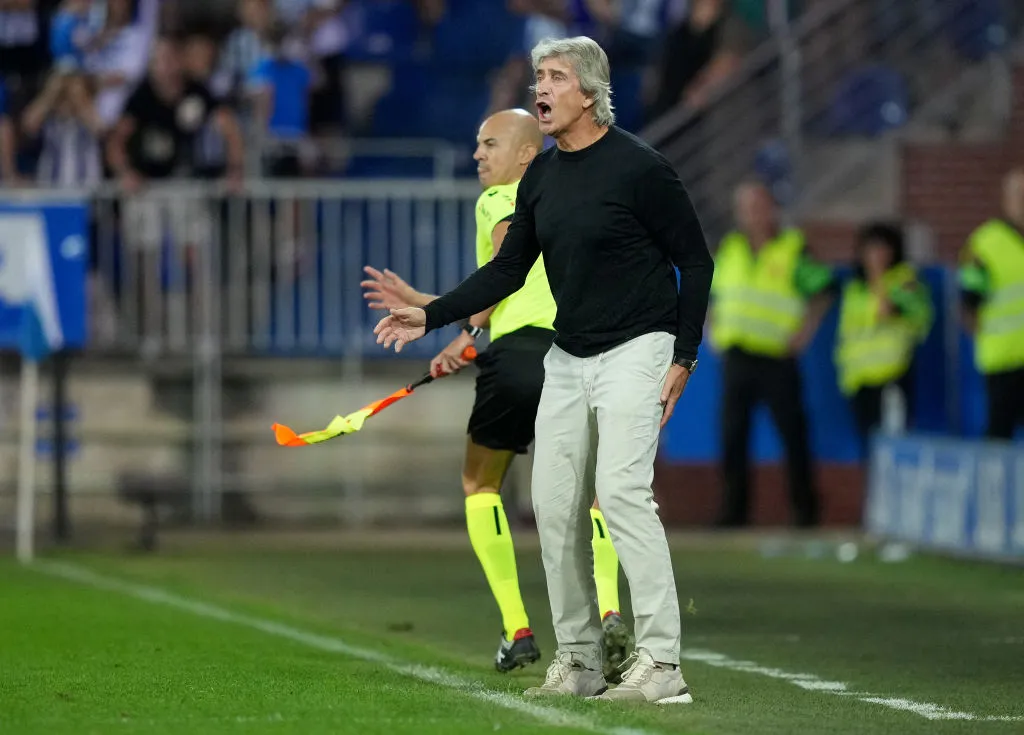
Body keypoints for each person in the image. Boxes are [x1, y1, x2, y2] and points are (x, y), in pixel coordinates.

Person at [373, 35, 713, 704]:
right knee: (553, 507)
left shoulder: (642, 167)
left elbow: (695, 261)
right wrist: (434, 314)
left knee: (618, 493)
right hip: (569, 352)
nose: (541, 88)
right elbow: (507, 269)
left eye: (554, 77)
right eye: (539, 76)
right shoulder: (543, 178)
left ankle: (663, 664)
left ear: (588, 92)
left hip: (639, 346)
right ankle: (580, 660)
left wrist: (685, 352)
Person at [360, 108, 631, 679]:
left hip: (518, 361)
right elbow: (522, 286)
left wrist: (464, 330)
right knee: (594, 493)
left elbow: (507, 271)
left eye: (490, 144)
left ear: (525, 156)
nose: (478, 154)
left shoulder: (501, 199)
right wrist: (440, 306)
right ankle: (609, 610)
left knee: (480, 483)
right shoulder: (564, 202)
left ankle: (518, 627)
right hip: (577, 356)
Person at [709, 181, 835, 528]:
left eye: (759, 206)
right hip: (736, 356)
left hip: (777, 357)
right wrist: (711, 330)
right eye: (747, 207)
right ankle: (733, 513)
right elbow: (714, 294)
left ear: (772, 209)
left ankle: (805, 511)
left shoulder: (793, 248)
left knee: (793, 434)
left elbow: (824, 289)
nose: (753, 214)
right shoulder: (731, 248)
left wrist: (806, 331)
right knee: (732, 436)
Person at [834, 223, 933, 449]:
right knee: (866, 445)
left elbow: (920, 317)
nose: (876, 255)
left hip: (892, 377)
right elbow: (847, 334)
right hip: (859, 381)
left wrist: (894, 308)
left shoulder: (906, 281)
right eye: (870, 249)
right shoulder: (855, 289)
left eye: (882, 248)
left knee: (894, 446)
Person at [959, 168, 1024, 440]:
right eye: (1020, 195)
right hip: (1003, 360)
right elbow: (968, 304)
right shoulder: (985, 244)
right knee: (1000, 433)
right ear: (1006, 199)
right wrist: (985, 341)